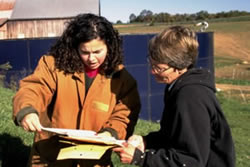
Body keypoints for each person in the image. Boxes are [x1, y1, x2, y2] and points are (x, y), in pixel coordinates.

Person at [12, 13, 141, 167]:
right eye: (85, 52)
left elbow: (124, 114)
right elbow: (35, 88)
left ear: (109, 46)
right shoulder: (52, 65)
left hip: (94, 161)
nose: (91, 59)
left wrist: (110, 133)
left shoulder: (123, 79)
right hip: (50, 159)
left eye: (97, 52)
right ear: (74, 48)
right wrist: (27, 110)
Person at [114, 26, 235, 167]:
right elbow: (175, 137)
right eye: (151, 63)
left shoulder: (190, 97)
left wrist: (140, 158)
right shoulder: (179, 86)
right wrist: (146, 141)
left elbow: (190, 161)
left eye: (159, 68)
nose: (152, 71)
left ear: (179, 67)